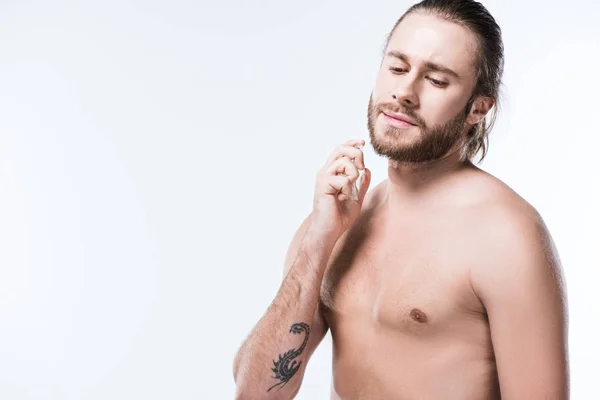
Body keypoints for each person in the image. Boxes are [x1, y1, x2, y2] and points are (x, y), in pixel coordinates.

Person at [232, 0, 569, 398]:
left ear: (477, 108)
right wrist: (319, 241)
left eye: (437, 81)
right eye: (397, 67)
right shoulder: (336, 222)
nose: (405, 92)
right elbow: (255, 392)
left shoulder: (506, 237)